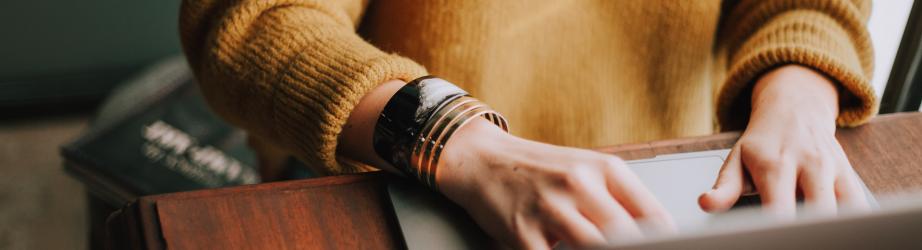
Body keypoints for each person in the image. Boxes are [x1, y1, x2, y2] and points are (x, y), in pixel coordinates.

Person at [179, 0, 877, 248]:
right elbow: (250, 22)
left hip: (669, 196)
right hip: (400, 185)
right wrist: (457, 140)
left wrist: (799, 94)